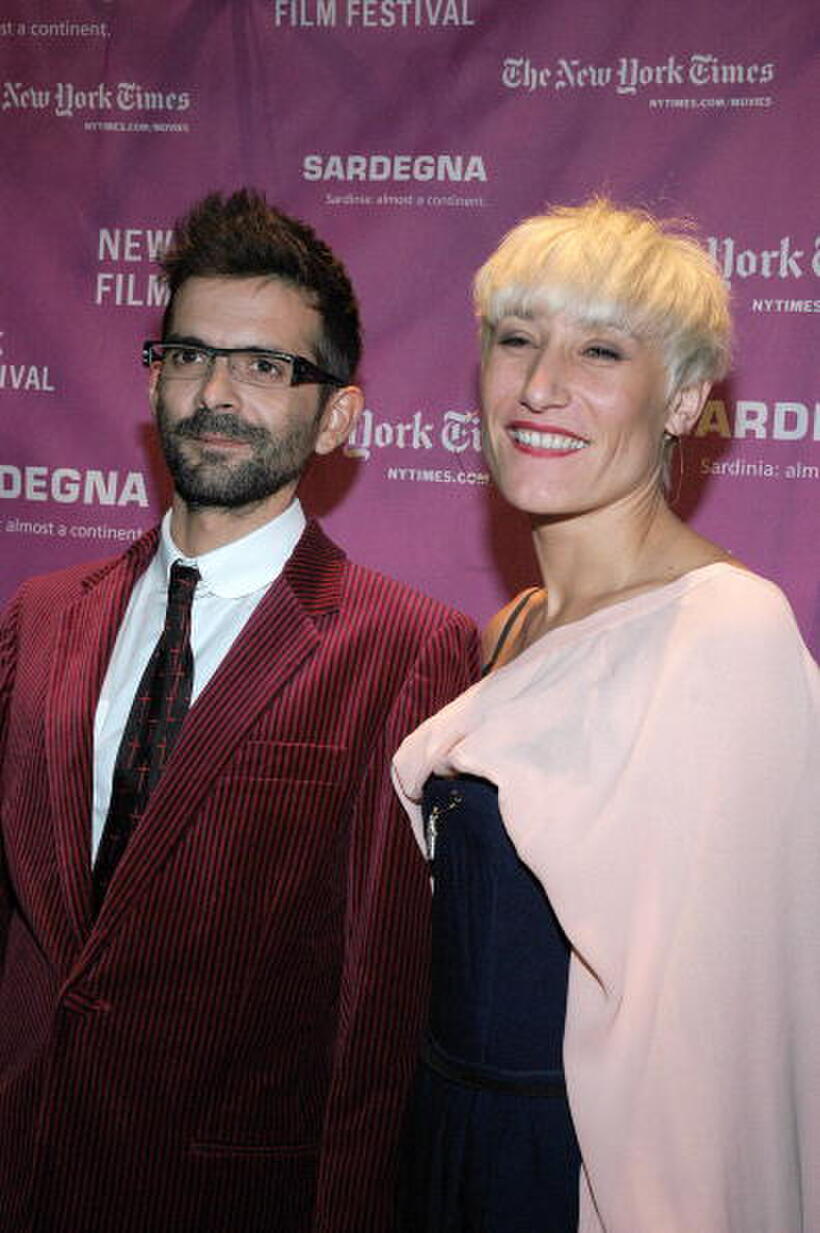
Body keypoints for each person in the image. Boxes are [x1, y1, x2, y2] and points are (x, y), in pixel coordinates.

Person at [0, 188, 478, 1233]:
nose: (216, 392)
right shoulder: (40, 617)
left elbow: (382, 1008)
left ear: (339, 413)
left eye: (268, 367)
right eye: (188, 355)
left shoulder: (405, 650)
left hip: (224, 1195)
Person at [393, 198, 820, 1233]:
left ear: (681, 403)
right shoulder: (514, 628)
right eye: (515, 340)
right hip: (444, 1149)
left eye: (598, 351)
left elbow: (719, 1063)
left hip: (575, 1180)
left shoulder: (725, 633)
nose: (540, 386)